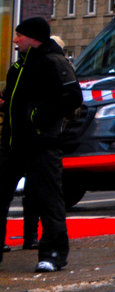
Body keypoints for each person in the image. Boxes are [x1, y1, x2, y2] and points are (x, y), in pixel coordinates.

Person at [0, 18, 82, 272]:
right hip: (13, 144)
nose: (15, 40)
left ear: (33, 37)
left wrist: (37, 118)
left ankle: (53, 253)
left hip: (42, 143)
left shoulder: (54, 62)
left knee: (48, 201)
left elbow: (72, 97)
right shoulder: (18, 67)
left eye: (19, 35)